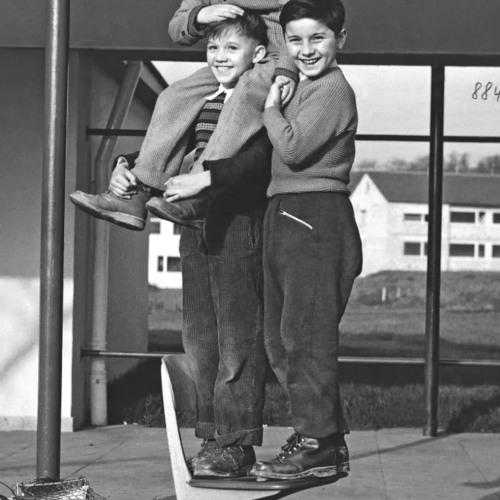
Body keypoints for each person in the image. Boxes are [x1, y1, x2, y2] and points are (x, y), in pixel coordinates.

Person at [102, 14, 273, 479]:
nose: (218, 57)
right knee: (199, 335)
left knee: (238, 337)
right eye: (212, 49)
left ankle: (237, 444)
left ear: (257, 54)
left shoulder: (263, 96)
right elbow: (179, 151)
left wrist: (208, 179)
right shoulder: (205, 98)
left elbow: (259, 162)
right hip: (193, 222)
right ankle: (212, 436)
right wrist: (130, 168)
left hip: (240, 222)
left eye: (230, 49)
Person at [249, 0, 363, 481]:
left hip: (316, 214)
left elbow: (293, 149)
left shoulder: (333, 89)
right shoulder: (302, 84)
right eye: (295, 40)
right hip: (285, 211)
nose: (306, 49)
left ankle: (318, 443)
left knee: (306, 337)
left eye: (317, 37)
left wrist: (271, 105)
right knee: (280, 339)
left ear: (340, 38)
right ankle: (322, 437)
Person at [69, 0, 298, 231]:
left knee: (243, 98)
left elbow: (294, 25)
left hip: (274, 58)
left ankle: (199, 192)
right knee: (174, 95)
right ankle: (141, 188)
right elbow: (178, 27)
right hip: (235, 51)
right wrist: (200, 15)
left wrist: (287, 70)